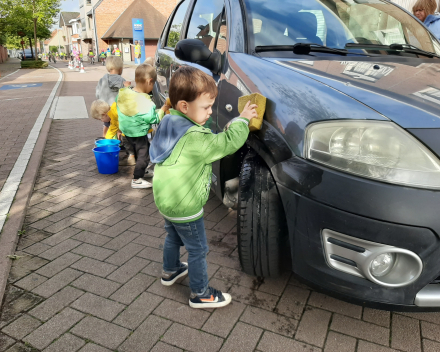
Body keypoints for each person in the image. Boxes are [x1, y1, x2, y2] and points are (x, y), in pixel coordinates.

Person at [149, 66, 257, 309]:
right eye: (206, 107)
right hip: (185, 205)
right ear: (185, 106)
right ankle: (200, 293)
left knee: (173, 236)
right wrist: (243, 120)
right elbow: (227, 143)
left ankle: (170, 271)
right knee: (198, 249)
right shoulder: (196, 138)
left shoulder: (169, 120)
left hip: (165, 200)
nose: (210, 112)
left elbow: (202, 141)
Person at [117, 63, 169, 188]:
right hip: (139, 133)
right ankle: (137, 179)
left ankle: (142, 170)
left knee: (137, 152)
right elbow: (153, 119)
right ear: (149, 81)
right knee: (144, 156)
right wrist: (163, 109)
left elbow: (120, 109)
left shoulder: (123, 94)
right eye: (153, 84)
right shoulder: (146, 102)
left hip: (126, 131)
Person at [95, 56, 131, 137]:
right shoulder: (122, 81)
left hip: (106, 110)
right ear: (121, 68)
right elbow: (126, 95)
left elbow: (97, 94)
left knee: (107, 126)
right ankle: (119, 142)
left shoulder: (102, 80)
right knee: (118, 128)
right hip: (117, 111)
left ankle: (105, 140)